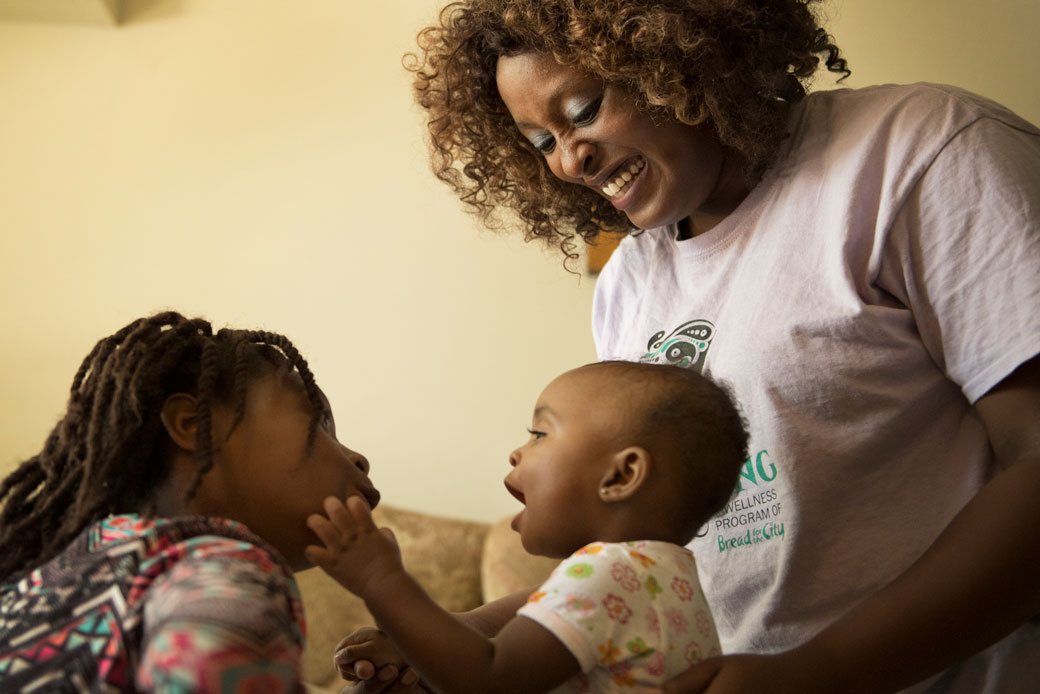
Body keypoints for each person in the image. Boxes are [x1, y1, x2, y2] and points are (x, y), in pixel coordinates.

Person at [403, 1, 1040, 693]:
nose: (569, 159)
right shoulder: (629, 282)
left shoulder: (919, 152)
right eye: (539, 142)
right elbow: (645, 553)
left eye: (583, 110)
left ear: (679, 56)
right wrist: (461, 633)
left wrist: (819, 673)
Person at [307, 360, 749, 693]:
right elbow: (492, 641)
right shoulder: (665, 575)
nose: (518, 452)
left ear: (620, 476)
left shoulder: (608, 573)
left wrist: (380, 580)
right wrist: (414, 648)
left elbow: (488, 680)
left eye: (539, 435)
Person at [0, 311, 380, 692]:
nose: (358, 457)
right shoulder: (224, 567)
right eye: (320, 423)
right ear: (196, 428)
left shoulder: (56, 575)